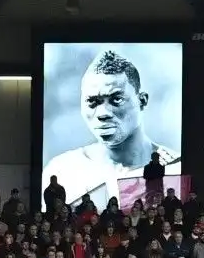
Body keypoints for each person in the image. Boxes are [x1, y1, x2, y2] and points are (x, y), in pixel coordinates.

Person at [42, 49, 182, 206]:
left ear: (142, 101)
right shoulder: (63, 169)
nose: (103, 113)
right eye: (92, 102)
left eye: (116, 99)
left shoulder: (175, 168)